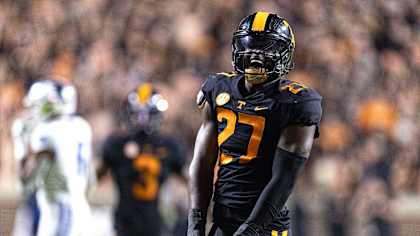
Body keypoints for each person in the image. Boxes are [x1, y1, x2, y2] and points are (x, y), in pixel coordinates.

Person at [188, 12, 323, 236]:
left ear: (285, 54)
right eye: (249, 46)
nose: (255, 57)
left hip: (265, 226)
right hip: (223, 223)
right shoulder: (218, 89)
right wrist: (196, 222)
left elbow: (284, 178)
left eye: (266, 48)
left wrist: (250, 230)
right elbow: (202, 161)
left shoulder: (297, 101)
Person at [97, 83, 186, 236]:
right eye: (138, 114)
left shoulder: (117, 143)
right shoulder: (168, 146)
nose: (142, 119)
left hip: (132, 223)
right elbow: (191, 181)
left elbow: (96, 177)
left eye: (146, 114)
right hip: (145, 223)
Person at [12, 79, 94, 236]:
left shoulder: (46, 132)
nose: (33, 110)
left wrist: (21, 148)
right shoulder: (82, 126)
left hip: (59, 211)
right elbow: (90, 181)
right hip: (80, 207)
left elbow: (27, 181)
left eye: (38, 104)